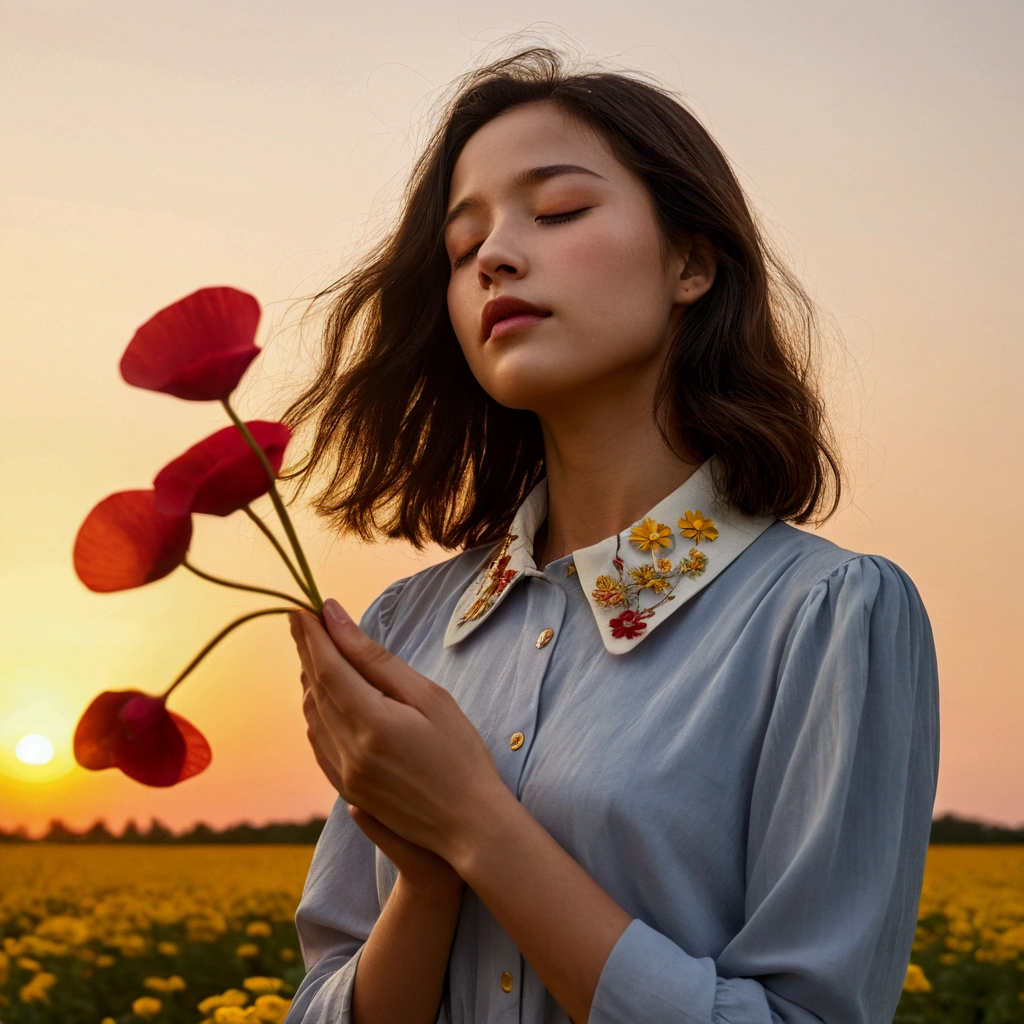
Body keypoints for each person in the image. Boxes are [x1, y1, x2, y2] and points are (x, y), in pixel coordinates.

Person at [279, 44, 939, 1024]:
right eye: (463, 251)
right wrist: (422, 879)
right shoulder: (407, 626)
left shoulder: (827, 616)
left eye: (557, 212)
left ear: (690, 261)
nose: (495, 257)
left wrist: (478, 828)